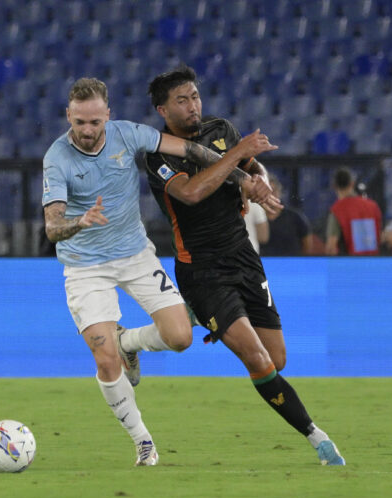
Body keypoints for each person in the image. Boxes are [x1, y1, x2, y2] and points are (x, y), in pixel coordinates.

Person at [42, 77, 276, 466]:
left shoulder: (129, 134)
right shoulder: (57, 158)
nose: (87, 131)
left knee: (180, 336)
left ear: (108, 117)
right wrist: (80, 221)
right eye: (79, 122)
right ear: (69, 115)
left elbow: (195, 152)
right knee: (103, 356)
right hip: (86, 267)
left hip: (135, 256)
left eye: (95, 122)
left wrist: (247, 181)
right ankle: (142, 442)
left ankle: (128, 342)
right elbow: (52, 227)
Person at [142, 64, 346, 465]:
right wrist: (239, 154)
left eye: (195, 96)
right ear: (163, 110)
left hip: (244, 258)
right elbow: (192, 192)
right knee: (257, 360)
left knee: (277, 359)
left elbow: (251, 170)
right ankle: (317, 438)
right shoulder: (157, 155)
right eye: (181, 101)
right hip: (202, 270)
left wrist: (259, 182)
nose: (192, 106)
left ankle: (201, 318)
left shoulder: (220, 129)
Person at [325, 167, 382, 256]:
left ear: (334, 186)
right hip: (373, 262)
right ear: (352, 184)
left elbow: (331, 247)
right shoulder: (373, 206)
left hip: (350, 264)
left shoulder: (337, 210)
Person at [261, 173, 314, 256]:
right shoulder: (256, 218)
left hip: (291, 265)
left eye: (273, 191)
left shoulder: (295, 217)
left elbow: (307, 243)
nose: (271, 195)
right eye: (266, 191)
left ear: (280, 192)